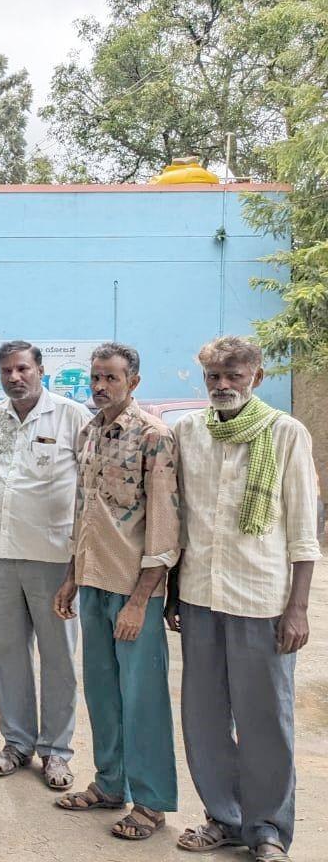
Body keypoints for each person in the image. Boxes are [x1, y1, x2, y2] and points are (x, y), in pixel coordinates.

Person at [169, 337, 318, 862]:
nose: (223, 385)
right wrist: (172, 593)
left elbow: (303, 528)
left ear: (257, 376)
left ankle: (268, 829)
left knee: (265, 720)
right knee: (204, 718)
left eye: (234, 375)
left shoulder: (285, 432)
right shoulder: (188, 431)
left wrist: (298, 607)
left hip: (262, 599)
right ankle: (224, 818)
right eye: (214, 376)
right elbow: (180, 520)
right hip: (200, 595)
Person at [53, 342, 179, 841]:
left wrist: (140, 601)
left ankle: (150, 803)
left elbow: (164, 530)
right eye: (96, 377)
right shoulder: (90, 432)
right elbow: (83, 513)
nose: (101, 386)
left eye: (111, 378)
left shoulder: (154, 437)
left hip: (133, 591)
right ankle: (110, 785)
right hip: (93, 583)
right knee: (103, 694)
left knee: (143, 699)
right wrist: (71, 576)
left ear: (134, 382)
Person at [0, 341, 88, 790]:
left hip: (54, 558)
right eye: (6, 370)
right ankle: (16, 743)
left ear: (41, 370)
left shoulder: (71, 416)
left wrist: (79, 561)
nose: (14, 377)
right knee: (5, 655)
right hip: (0, 554)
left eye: (23, 368)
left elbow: (89, 485)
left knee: (58, 657)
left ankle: (56, 751)